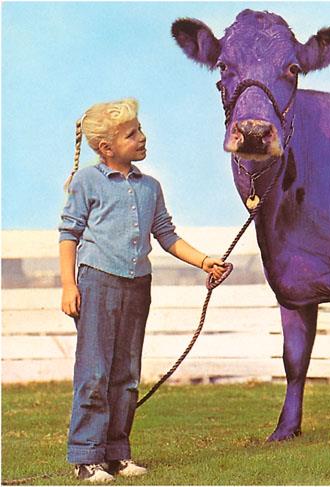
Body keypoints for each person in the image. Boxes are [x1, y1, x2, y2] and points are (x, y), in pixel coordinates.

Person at [59, 98, 225, 482]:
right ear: (107, 147)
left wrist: (204, 261)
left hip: (138, 287)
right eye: (132, 134)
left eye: (140, 130)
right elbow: (69, 234)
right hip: (97, 283)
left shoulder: (151, 187)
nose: (142, 137)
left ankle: (117, 453)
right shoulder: (87, 182)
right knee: (94, 372)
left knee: (127, 375)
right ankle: (86, 457)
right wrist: (68, 285)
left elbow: (167, 235)